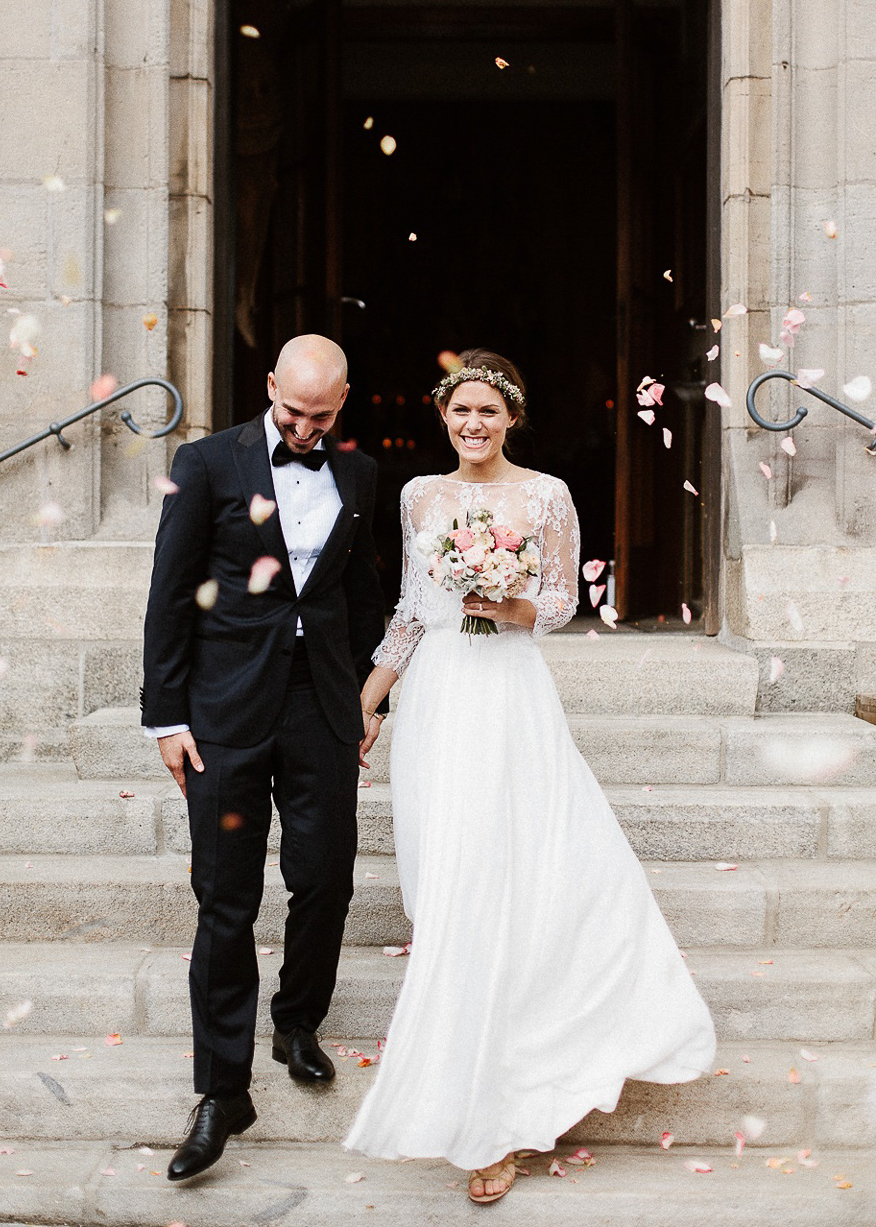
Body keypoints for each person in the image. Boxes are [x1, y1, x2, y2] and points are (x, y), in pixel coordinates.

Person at [345, 349, 717, 1205]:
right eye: (459, 411)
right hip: (439, 700)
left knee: (507, 879)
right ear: (444, 415)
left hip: (509, 696)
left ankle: (494, 1120)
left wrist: (503, 601)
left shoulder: (545, 494)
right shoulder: (417, 498)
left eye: (488, 411)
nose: (472, 425)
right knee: (447, 883)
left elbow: (557, 604)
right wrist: (367, 705)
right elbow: (408, 611)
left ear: (512, 416)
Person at [141, 334, 388, 1183]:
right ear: (270, 386)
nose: (306, 428)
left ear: (343, 401)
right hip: (222, 716)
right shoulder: (206, 462)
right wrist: (165, 718)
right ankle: (221, 1091)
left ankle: (297, 1020)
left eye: (321, 415)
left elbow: (365, 596)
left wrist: (368, 697)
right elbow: (170, 592)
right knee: (227, 897)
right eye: (293, 411)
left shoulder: (359, 476)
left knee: (325, 876)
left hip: (321, 710)